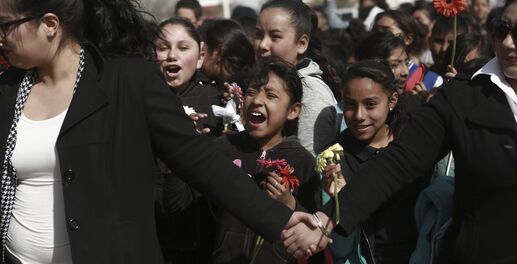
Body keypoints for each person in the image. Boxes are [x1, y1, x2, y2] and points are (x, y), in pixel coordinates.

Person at [282, 0, 517, 263]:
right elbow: (397, 162)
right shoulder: (464, 95)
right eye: (500, 30)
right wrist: (326, 218)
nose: (507, 43)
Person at [0, 0, 300, 263]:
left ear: (49, 24)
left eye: (6, 25)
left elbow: (202, 162)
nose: (1, 38)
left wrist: (282, 220)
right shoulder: (7, 90)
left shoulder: (128, 81)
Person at [212, 56, 318, 264]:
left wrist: (290, 203)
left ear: (293, 110)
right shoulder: (223, 147)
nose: (257, 100)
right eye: (251, 92)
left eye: (271, 95)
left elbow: (313, 228)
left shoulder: (303, 161)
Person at [320, 60, 426, 264]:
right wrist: (339, 202)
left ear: (392, 100)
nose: (359, 116)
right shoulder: (335, 158)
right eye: (350, 104)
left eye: (370, 104)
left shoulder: (415, 147)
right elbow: (339, 249)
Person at [153, 17, 223, 263]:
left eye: (183, 48)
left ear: (201, 55)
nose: (172, 56)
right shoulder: (142, 99)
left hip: (202, 228)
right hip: (154, 228)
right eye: (163, 48)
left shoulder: (217, 102)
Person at [254, 0, 339, 156]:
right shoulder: (260, 80)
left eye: (275, 36)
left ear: (301, 43)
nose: (263, 45)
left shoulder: (311, 93)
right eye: (259, 35)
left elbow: (308, 161)